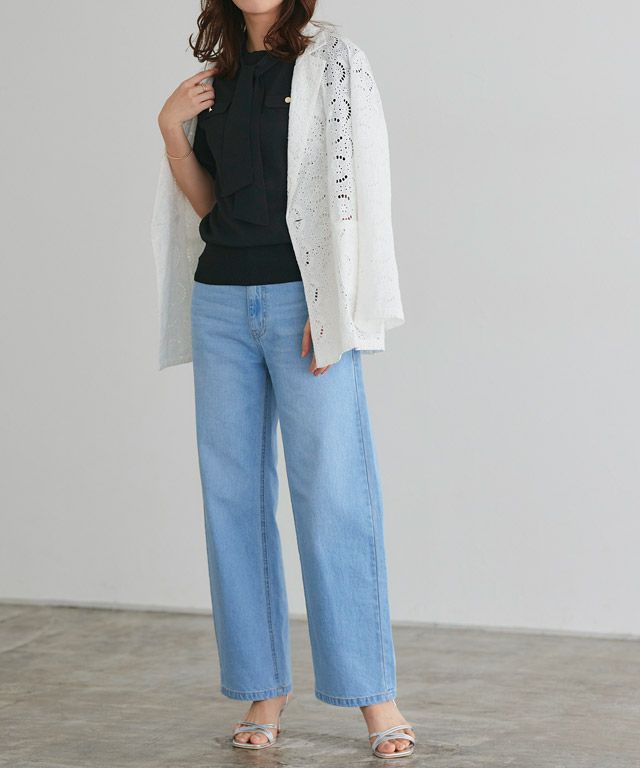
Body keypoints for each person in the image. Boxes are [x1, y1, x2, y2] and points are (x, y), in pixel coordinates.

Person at [153, 0, 414, 759]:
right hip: (220, 304)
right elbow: (210, 206)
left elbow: (363, 188)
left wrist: (338, 305)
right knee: (232, 501)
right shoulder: (216, 79)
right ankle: (262, 687)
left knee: (334, 493)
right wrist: (170, 128)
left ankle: (375, 697)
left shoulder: (334, 63)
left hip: (306, 303)